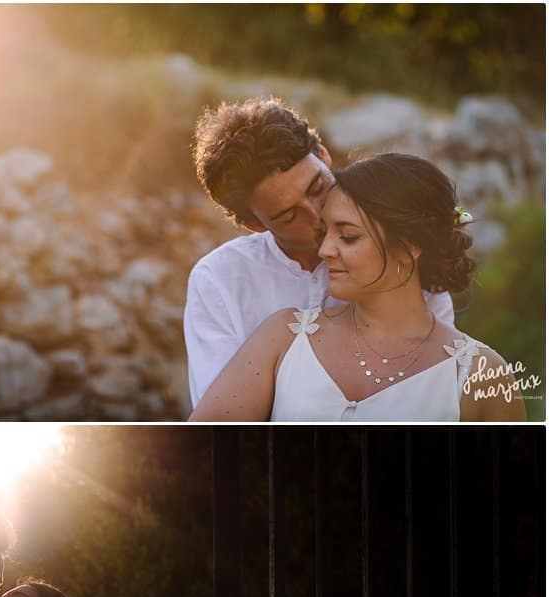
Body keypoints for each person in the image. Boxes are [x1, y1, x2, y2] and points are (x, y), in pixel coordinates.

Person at [190, 153, 525, 421]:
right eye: (326, 234)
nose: (324, 251)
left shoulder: (483, 374)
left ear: (410, 246)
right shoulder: (283, 336)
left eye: (347, 236)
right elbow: (205, 454)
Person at [184, 97, 455, 407]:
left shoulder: (395, 252)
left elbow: (438, 388)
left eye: (317, 188)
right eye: (289, 216)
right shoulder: (218, 282)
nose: (317, 215)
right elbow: (222, 431)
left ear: (323, 155)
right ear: (254, 225)